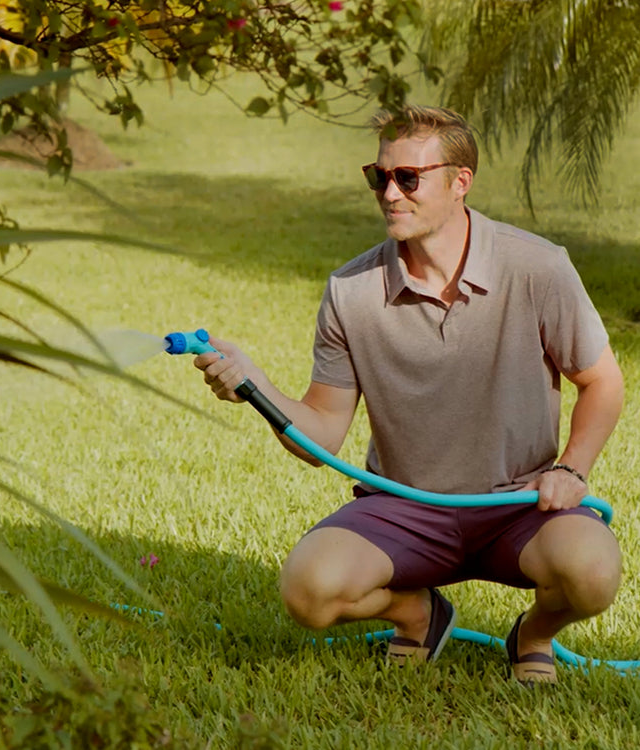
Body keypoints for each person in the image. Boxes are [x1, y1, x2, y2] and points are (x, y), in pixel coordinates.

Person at [193, 105, 624, 684]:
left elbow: (602, 382)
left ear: (459, 182)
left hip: (517, 507)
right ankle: (419, 613)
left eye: (408, 178)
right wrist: (255, 385)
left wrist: (572, 469)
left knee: (593, 573)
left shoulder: (538, 268)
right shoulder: (351, 291)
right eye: (380, 176)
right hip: (402, 508)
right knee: (308, 593)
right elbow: (322, 430)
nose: (390, 193)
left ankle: (534, 635)